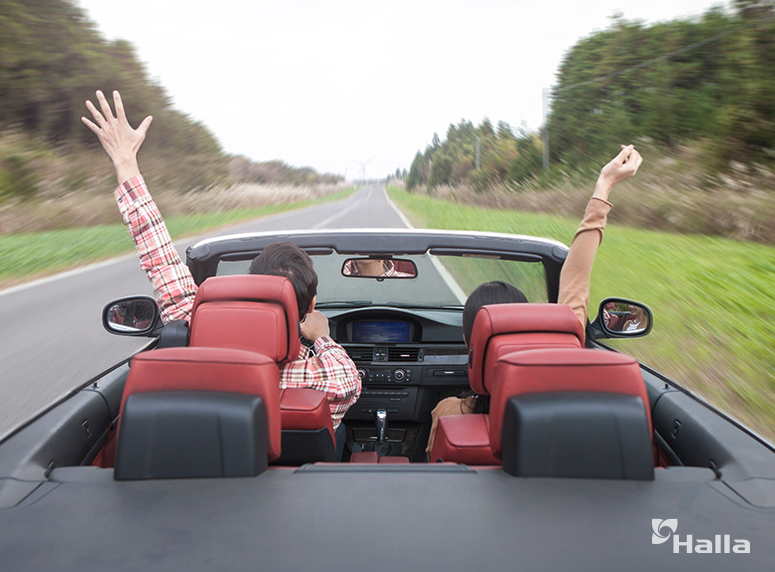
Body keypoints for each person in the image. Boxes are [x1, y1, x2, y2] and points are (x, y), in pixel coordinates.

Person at [82, 90, 360, 456]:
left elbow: (158, 254)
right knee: (340, 432)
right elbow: (350, 380)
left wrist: (125, 161)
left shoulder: (198, 337)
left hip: (213, 474)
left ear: (251, 289)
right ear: (310, 307)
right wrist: (322, 337)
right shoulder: (323, 377)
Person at [425, 144, 643, 460]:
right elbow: (576, 278)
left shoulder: (447, 413)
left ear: (469, 343)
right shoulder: (565, 407)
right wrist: (604, 184)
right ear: (528, 332)